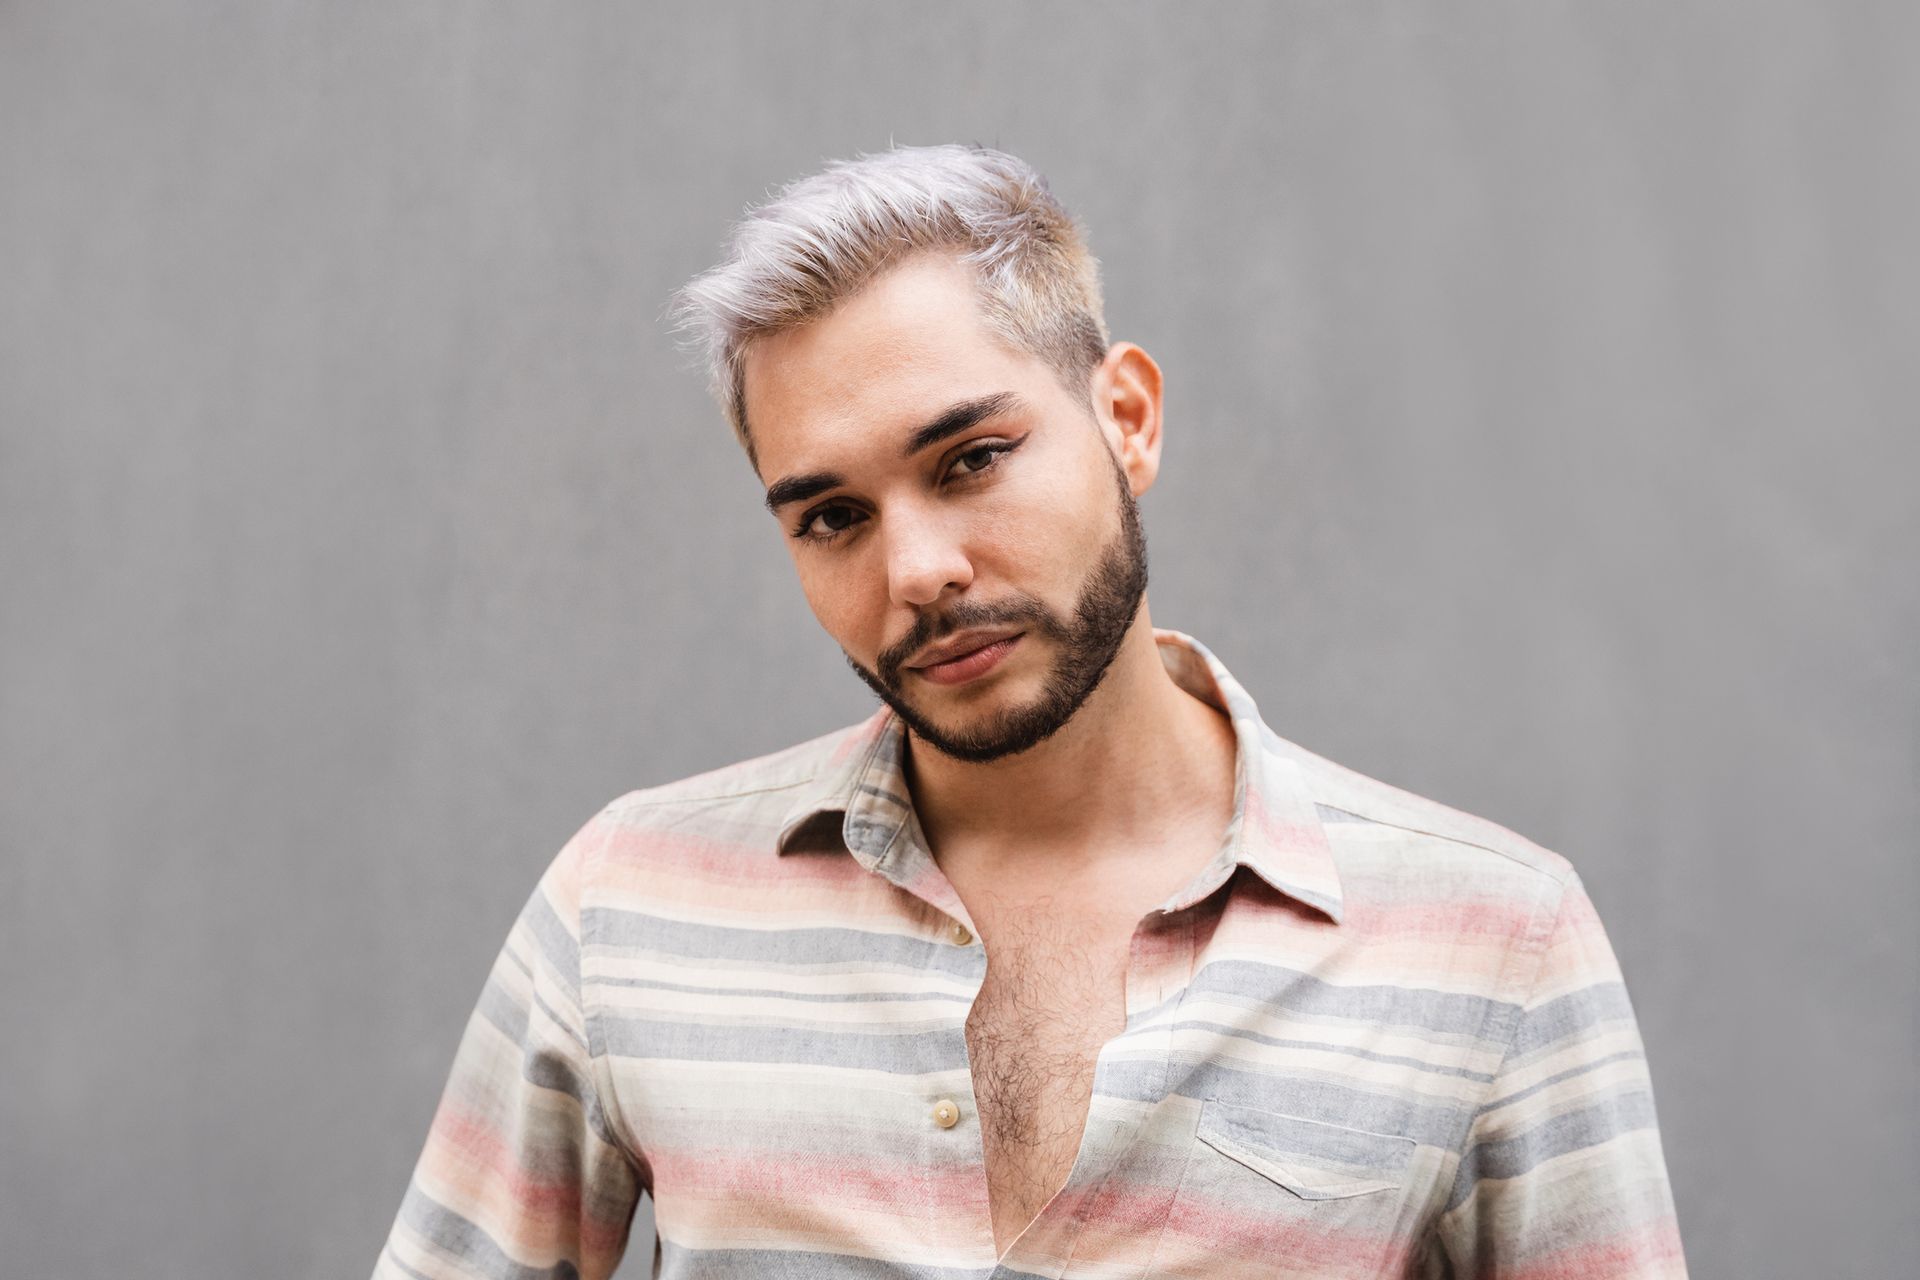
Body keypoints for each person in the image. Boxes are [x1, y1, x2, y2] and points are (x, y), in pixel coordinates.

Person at [372, 143, 1688, 1280]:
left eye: (972, 461)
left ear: (1126, 419)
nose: (918, 572)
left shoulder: (1495, 943)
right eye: (833, 516)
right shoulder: (628, 906)